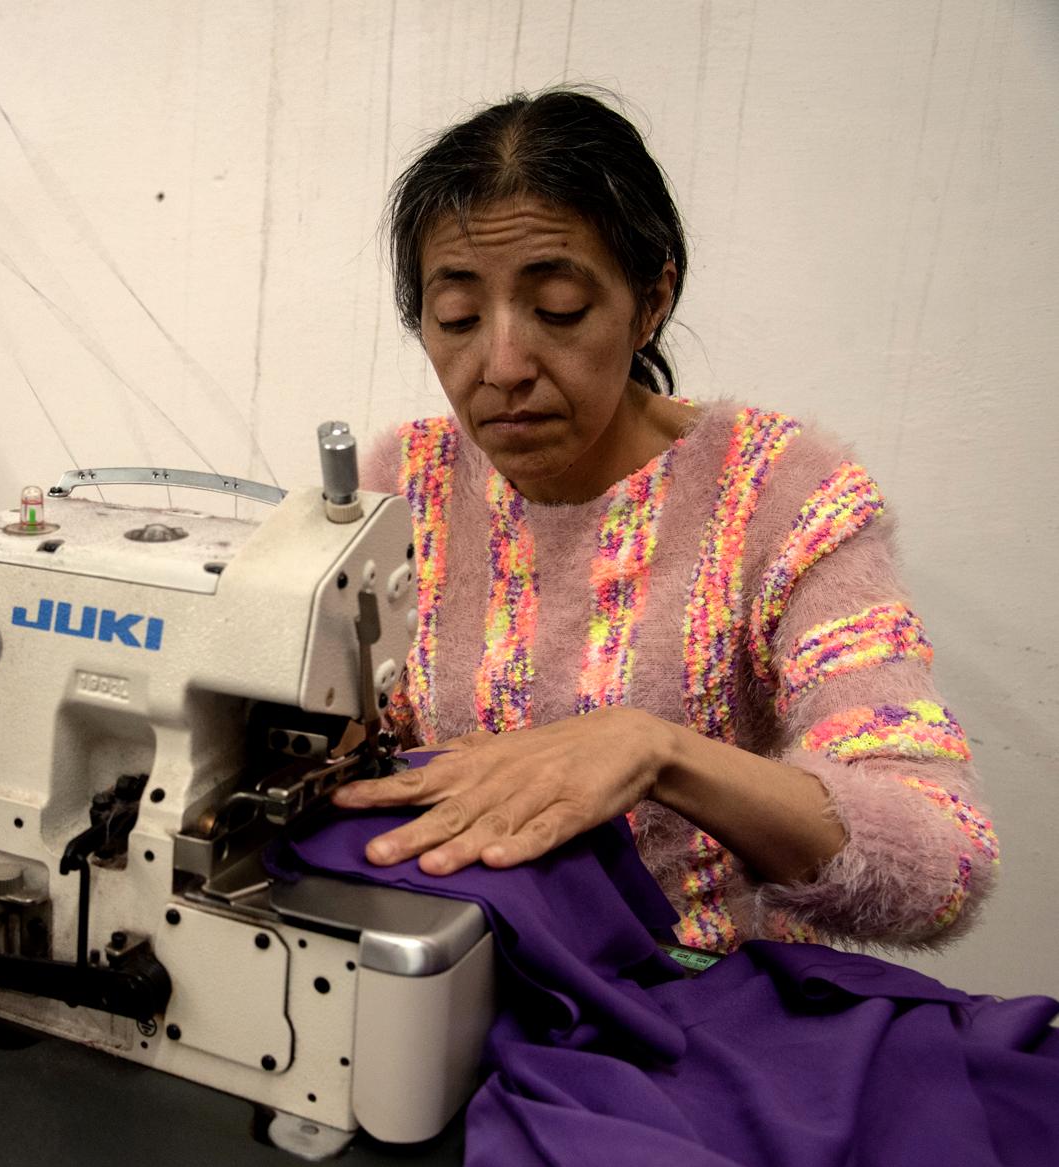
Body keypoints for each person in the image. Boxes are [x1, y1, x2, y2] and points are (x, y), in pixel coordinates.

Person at [332, 89, 994, 952]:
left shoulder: (781, 497)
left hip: (703, 1011)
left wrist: (657, 752)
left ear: (649, 302)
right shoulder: (404, 483)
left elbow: (940, 866)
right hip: (461, 984)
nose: (498, 366)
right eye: (455, 317)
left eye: (559, 308)